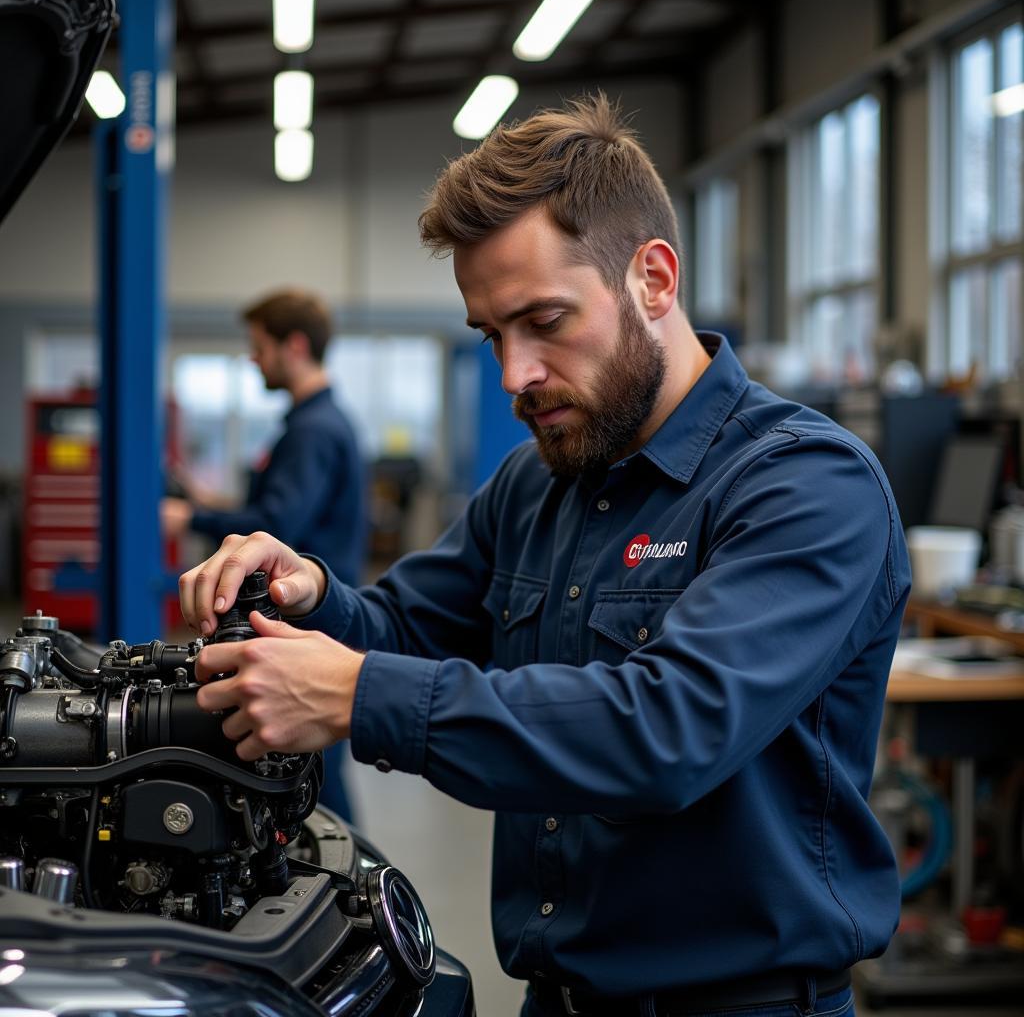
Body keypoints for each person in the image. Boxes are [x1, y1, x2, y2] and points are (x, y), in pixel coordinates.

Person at [177, 95, 911, 1017]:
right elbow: (407, 626)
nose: (514, 375)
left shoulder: (806, 486)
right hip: (554, 998)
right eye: (493, 335)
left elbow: (667, 728)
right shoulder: (537, 483)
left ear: (653, 279)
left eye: (546, 322)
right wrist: (313, 592)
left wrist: (359, 696)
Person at [161, 288, 366, 823]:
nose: (253, 360)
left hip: (309, 618)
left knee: (312, 772)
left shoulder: (313, 431)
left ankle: (353, 882)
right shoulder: (314, 422)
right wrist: (212, 503)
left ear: (293, 346)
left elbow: (278, 526)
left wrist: (192, 519)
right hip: (313, 613)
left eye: (259, 347)